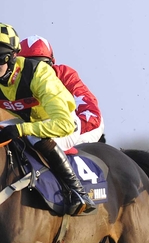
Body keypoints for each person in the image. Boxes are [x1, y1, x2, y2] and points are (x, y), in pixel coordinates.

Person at [0, 22, 96, 215]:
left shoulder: (39, 74)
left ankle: (78, 192)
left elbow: (64, 124)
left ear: (11, 58)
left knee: (34, 137)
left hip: (64, 124)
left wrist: (22, 130)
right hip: (30, 122)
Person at [18, 35, 105, 148]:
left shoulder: (65, 76)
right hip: (48, 122)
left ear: (52, 64)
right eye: (30, 66)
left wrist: (58, 129)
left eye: (42, 65)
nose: (36, 71)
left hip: (84, 125)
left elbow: (91, 114)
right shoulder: (13, 82)